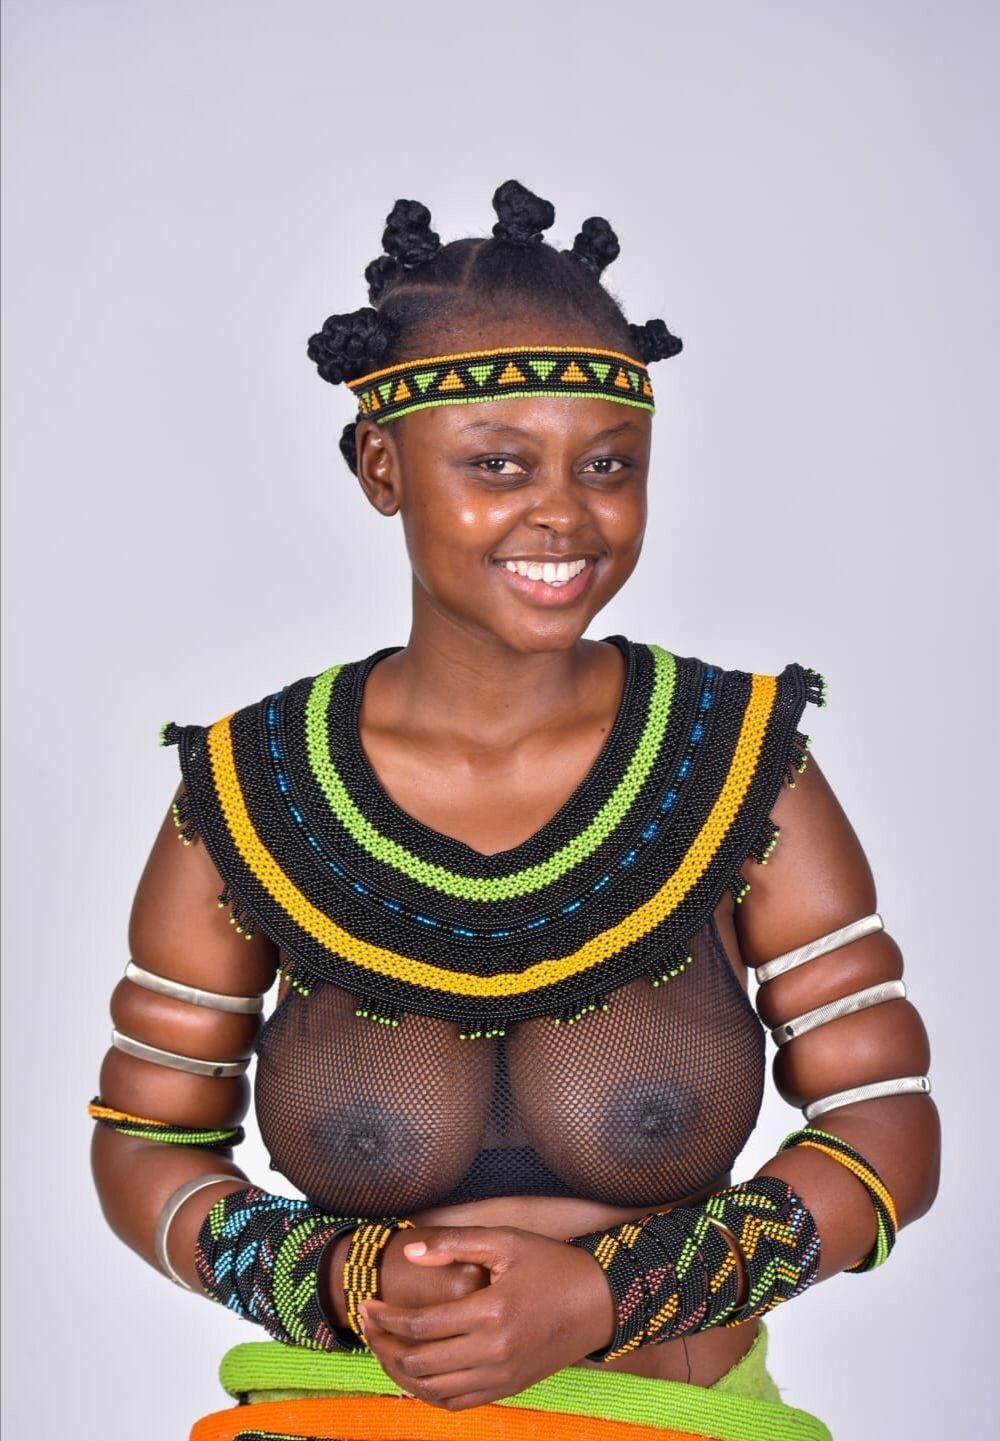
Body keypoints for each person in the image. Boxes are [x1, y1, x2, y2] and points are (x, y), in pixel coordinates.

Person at [90, 180, 940, 1441]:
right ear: (382, 466)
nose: (563, 513)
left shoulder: (738, 768)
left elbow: (885, 1129)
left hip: (671, 1417)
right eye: (497, 464)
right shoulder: (252, 795)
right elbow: (144, 1142)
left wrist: (611, 1296)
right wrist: (343, 1279)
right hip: (336, 1416)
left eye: (609, 467)